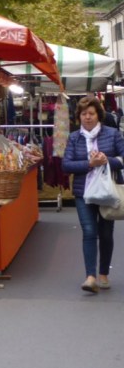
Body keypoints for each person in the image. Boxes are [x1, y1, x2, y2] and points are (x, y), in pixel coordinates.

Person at [62, 96, 124, 294]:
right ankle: (90, 276)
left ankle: (104, 273)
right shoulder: (74, 137)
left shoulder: (113, 134)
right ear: (78, 116)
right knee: (89, 231)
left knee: (105, 233)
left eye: (91, 113)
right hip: (84, 193)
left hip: (107, 192)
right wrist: (89, 164)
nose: (87, 117)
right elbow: (66, 165)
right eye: (83, 114)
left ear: (99, 115)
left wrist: (107, 160)